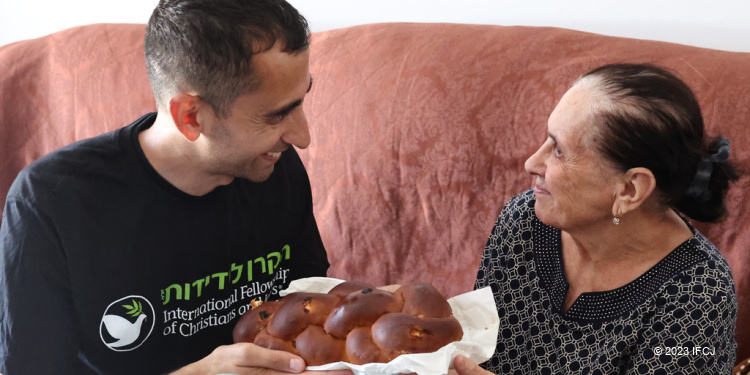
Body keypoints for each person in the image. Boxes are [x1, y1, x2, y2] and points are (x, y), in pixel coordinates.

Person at [0, 1, 343, 374]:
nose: (303, 137)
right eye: (276, 115)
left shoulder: (272, 164)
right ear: (190, 116)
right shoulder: (53, 201)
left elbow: (315, 305)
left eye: (301, 100)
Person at [452, 63, 740, 374]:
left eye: (559, 151)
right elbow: (474, 348)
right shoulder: (525, 220)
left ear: (629, 189)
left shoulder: (699, 295)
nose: (531, 162)